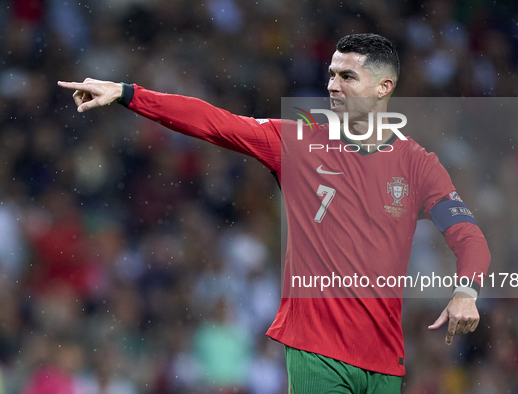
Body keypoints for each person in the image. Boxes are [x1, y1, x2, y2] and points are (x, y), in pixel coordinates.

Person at [58, 33, 491, 394]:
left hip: (386, 359)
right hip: (318, 351)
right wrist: (127, 94)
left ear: (384, 87)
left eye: (347, 76)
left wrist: (466, 291)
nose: (333, 86)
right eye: (331, 75)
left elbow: (467, 234)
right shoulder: (297, 144)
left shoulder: (418, 164)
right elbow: (213, 121)